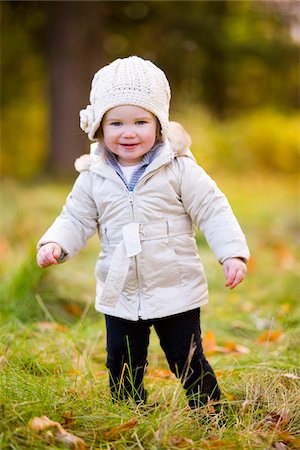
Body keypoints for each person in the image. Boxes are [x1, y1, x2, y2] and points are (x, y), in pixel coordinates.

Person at [37, 56, 250, 408]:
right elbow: (75, 217)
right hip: (120, 289)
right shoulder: (94, 175)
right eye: (116, 122)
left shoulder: (179, 169)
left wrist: (232, 253)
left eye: (140, 121)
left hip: (175, 287)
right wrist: (56, 242)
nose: (129, 132)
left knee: (187, 356)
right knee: (121, 360)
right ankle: (127, 410)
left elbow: (213, 208)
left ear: (160, 124)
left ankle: (210, 411)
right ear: (100, 128)